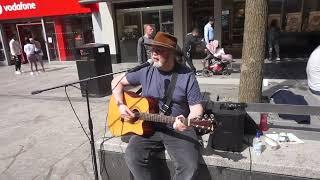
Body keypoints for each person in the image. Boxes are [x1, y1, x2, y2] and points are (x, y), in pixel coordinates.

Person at [111, 32, 204, 180]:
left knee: (189, 168)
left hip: (177, 127)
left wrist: (188, 122)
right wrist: (121, 104)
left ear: (172, 53)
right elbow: (116, 82)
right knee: (132, 156)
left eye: (159, 50)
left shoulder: (187, 76)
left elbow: (197, 108)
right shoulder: (146, 70)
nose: (154, 53)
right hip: (148, 126)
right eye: (152, 49)